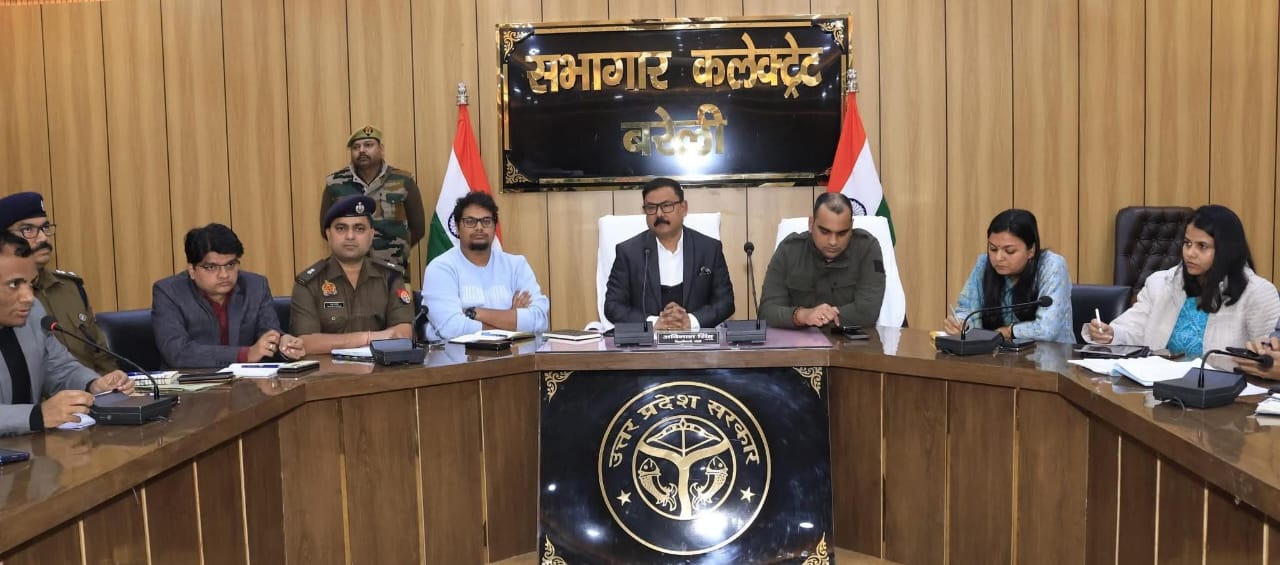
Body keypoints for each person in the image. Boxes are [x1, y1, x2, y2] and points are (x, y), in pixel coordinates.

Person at [1085, 205, 1280, 357]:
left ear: (1226, 250)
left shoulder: (1258, 294)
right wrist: (1110, 333)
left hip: (1222, 392)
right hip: (1158, 385)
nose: (1190, 253)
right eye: (1187, 243)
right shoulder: (1161, 283)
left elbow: (1267, 359)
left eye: (1202, 246)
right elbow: (1134, 328)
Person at [0, 233, 133, 436]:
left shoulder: (33, 313)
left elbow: (58, 367)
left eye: (31, 284)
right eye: (14, 284)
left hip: (28, 446)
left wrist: (93, 385)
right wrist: (36, 415)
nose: (28, 297)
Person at [151, 224, 305, 368]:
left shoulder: (256, 286)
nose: (224, 275)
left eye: (230, 265)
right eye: (212, 267)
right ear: (192, 270)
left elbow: (268, 332)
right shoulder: (169, 292)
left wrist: (282, 343)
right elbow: (177, 351)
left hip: (248, 383)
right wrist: (244, 354)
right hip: (190, 384)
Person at [0, 192, 116, 373]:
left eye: (45, 227)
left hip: (88, 386)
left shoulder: (70, 288)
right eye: (28, 229)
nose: (43, 238)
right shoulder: (8, 300)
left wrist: (110, 383)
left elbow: (101, 356)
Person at [604, 177, 734, 330]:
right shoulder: (628, 252)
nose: (659, 214)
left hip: (697, 341)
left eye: (666, 206)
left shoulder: (709, 249)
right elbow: (613, 306)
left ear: (683, 208)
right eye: (651, 207)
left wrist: (691, 321)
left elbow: (725, 302)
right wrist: (653, 323)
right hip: (647, 342)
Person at [292, 195, 414, 354]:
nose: (350, 236)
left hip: (381, 367)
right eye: (341, 228)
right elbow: (305, 342)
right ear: (328, 234)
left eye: (359, 229)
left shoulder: (390, 277)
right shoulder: (309, 283)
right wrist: (367, 338)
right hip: (328, 368)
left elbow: (404, 333)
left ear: (371, 235)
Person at [422, 192, 549, 340]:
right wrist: (511, 319)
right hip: (457, 353)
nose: (479, 227)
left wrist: (475, 313)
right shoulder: (440, 268)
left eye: (486, 221)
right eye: (470, 221)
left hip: (513, 353)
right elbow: (452, 328)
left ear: (495, 227)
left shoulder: (516, 265)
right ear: (457, 227)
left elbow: (539, 320)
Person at [943, 209, 1074, 343]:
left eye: (1010, 251)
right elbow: (966, 308)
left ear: (1031, 250)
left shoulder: (1052, 265)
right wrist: (961, 323)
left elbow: (1048, 329)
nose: (998, 258)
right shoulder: (983, 264)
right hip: (996, 352)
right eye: (993, 249)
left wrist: (1008, 331)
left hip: (1051, 353)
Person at [759, 192, 885, 329]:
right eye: (825, 232)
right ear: (811, 224)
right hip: (800, 338)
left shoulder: (866, 248)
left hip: (849, 338)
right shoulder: (789, 250)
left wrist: (824, 316)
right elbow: (767, 312)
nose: (833, 242)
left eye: (842, 233)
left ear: (851, 226)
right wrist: (802, 315)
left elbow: (868, 311)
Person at [320, 125, 426, 274]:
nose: (362, 150)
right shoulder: (335, 184)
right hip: (348, 272)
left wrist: (398, 250)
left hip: (393, 271)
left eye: (368, 145)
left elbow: (418, 228)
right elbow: (325, 228)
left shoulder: (403, 181)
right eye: (356, 147)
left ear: (381, 149)